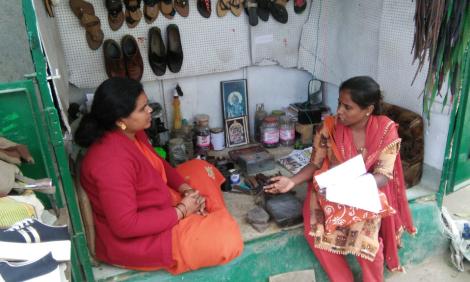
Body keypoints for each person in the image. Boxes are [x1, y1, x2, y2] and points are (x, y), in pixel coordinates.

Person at [74, 77, 243, 274]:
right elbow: (126, 226)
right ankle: (206, 217)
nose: (150, 111)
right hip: (140, 240)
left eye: (147, 105)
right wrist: (181, 211)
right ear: (120, 120)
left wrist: (186, 191)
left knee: (198, 167)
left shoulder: (132, 132)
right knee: (228, 240)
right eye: (142, 108)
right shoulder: (110, 162)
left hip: (157, 199)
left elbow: (158, 163)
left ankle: (203, 213)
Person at [264, 76, 416, 282]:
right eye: (338, 103)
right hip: (329, 188)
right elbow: (315, 164)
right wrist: (292, 181)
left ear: (368, 110)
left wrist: (352, 188)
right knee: (315, 231)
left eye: (347, 107)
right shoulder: (329, 127)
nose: (339, 112)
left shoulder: (385, 130)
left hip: (364, 190)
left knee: (366, 240)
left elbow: (383, 175)